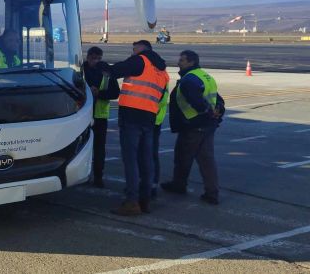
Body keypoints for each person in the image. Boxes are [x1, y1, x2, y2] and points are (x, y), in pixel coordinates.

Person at [106, 40, 169, 216]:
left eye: (134, 49)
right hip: (149, 118)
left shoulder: (140, 61)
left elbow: (116, 70)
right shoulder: (162, 71)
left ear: (141, 49)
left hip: (132, 116)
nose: (132, 52)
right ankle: (145, 200)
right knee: (146, 159)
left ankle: (132, 201)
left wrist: (103, 67)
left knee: (131, 160)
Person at [161, 50, 225, 205]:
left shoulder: (189, 80)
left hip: (194, 125)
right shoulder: (205, 76)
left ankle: (179, 185)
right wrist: (217, 111)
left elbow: (196, 101)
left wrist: (207, 112)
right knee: (206, 160)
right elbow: (218, 99)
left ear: (191, 62)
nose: (178, 62)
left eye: (182, 60)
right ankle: (212, 192)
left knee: (183, 156)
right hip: (208, 125)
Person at [83, 46, 119, 188]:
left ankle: (98, 176)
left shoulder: (106, 72)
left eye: (98, 58)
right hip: (83, 116)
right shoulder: (81, 70)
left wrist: (99, 93)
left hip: (99, 116)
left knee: (99, 148)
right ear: (88, 57)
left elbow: (115, 92)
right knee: (83, 147)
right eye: (93, 58)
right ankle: (82, 173)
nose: (95, 61)